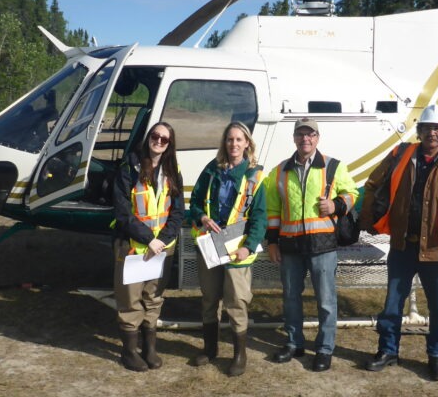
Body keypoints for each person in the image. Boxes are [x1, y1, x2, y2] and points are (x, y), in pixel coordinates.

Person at [358, 104, 438, 381]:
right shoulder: (400, 154)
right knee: (392, 304)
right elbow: (374, 183)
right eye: (427, 128)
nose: (432, 133)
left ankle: (436, 356)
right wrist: (369, 218)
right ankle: (388, 351)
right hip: (402, 246)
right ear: (419, 131)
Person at [264, 118, 358, 372]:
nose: (305, 139)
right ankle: (295, 343)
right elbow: (272, 210)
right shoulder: (279, 171)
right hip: (290, 246)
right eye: (301, 134)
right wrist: (272, 242)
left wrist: (336, 205)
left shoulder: (334, 166)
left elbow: (352, 194)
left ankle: (325, 349)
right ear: (294, 138)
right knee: (291, 298)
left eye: (311, 134)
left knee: (326, 301)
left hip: (322, 246)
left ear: (318, 137)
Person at [189, 121, 267, 377]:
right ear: (225, 142)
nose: (234, 144)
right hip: (211, 245)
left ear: (247, 144)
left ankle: (239, 354)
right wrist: (201, 218)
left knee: (236, 302)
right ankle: (210, 349)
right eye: (229, 139)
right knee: (210, 298)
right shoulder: (212, 170)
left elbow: (260, 217)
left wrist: (247, 247)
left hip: (237, 250)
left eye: (239, 140)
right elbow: (196, 202)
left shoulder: (255, 175)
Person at [112, 122, 184, 372]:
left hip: (162, 249)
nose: (159, 141)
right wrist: (148, 239)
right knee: (130, 301)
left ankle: (149, 348)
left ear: (169, 145)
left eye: (165, 139)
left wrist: (162, 239)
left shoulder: (172, 171)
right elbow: (122, 213)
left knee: (153, 298)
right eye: (155, 136)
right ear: (148, 139)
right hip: (133, 248)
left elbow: (177, 212)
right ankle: (129, 351)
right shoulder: (128, 168)